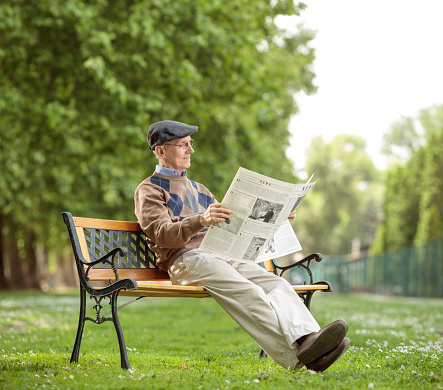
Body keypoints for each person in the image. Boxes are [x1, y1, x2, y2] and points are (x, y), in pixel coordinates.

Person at [134, 120, 350, 371]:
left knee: (277, 283)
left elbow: (231, 225)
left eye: (190, 144)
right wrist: (201, 220)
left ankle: (311, 339)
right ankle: (303, 355)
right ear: (160, 151)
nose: (190, 150)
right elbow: (162, 235)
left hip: (221, 255)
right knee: (251, 291)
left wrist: (276, 218)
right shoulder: (149, 190)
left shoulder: (200, 190)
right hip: (185, 261)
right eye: (183, 145)